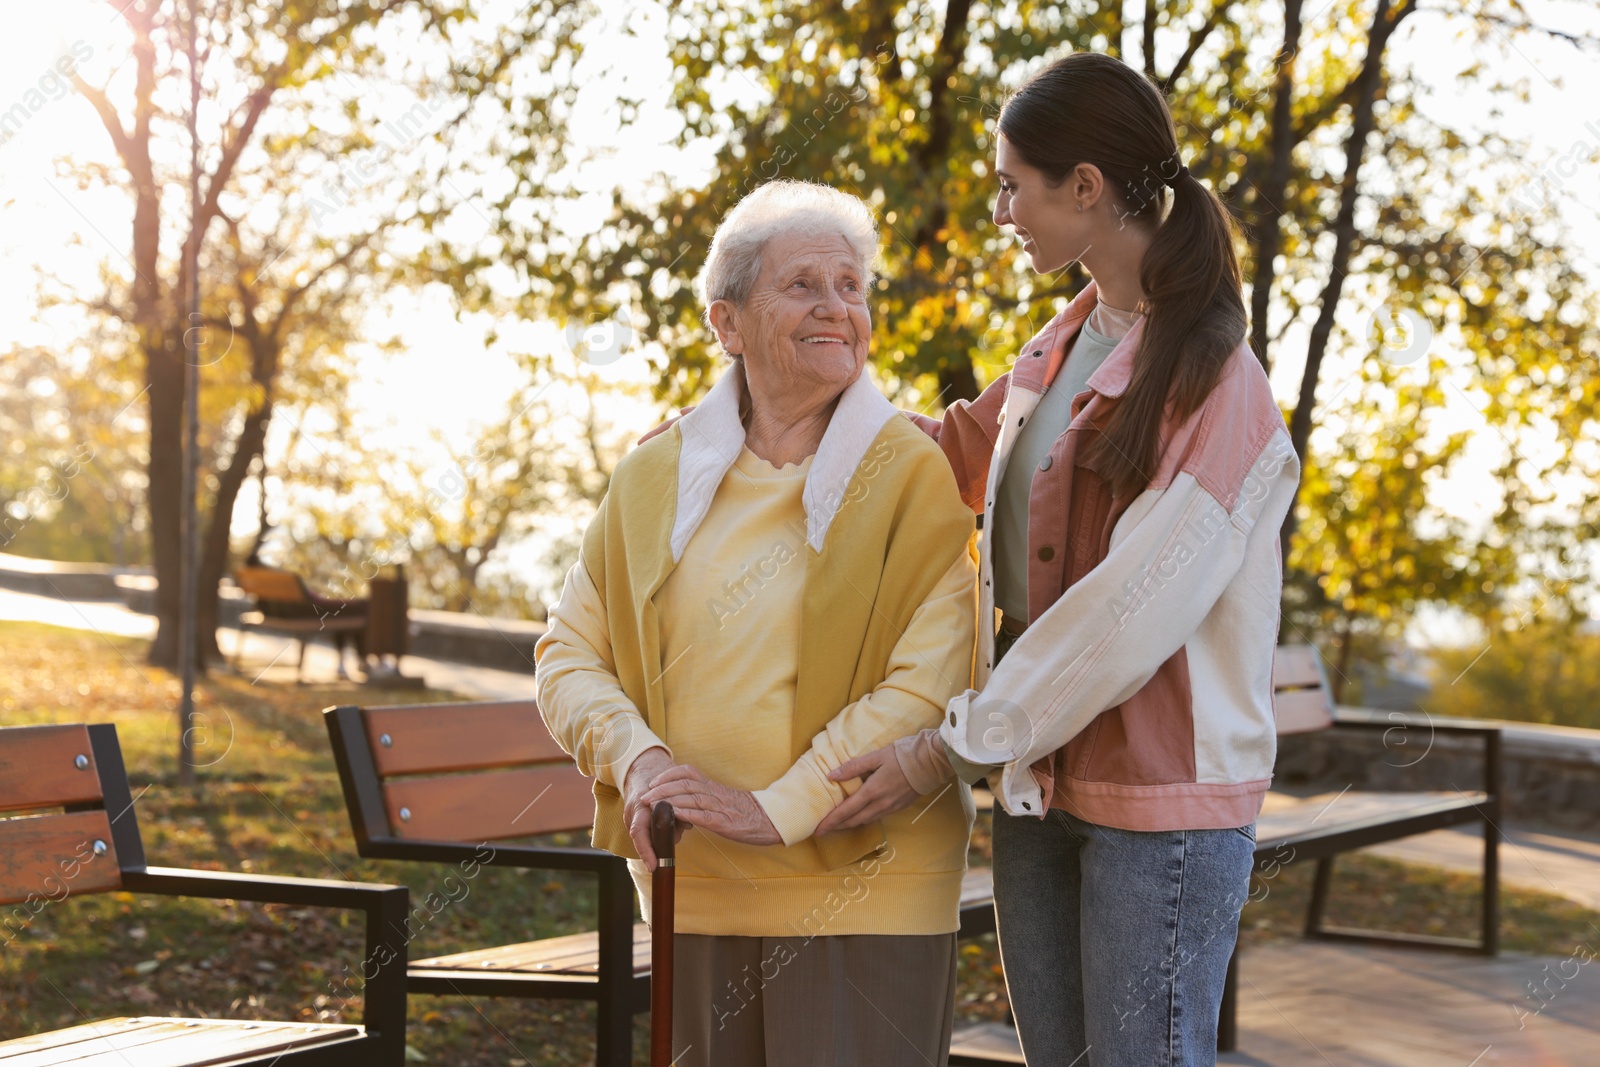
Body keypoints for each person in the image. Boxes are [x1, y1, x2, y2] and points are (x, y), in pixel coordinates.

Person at [814, 52, 1302, 1065]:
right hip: (1039, 780)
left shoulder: (1219, 385)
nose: (1000, 211)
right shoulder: (1064, 342)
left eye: (1010, 186)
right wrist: (783, 412)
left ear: (1083, 188)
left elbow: (1123, 613)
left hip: (1158, 811)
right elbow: (951, 453)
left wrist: (943, 748)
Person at [533, 180, 980, 1067]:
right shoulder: (650, 475)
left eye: (851, 287)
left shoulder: (911, 471)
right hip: (690, 887)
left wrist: (774, 809)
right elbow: (567, 654)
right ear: (727, 324)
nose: (836, 308)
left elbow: (933, 676)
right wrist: (641, 760)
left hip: (868, 895)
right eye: (803, 285)